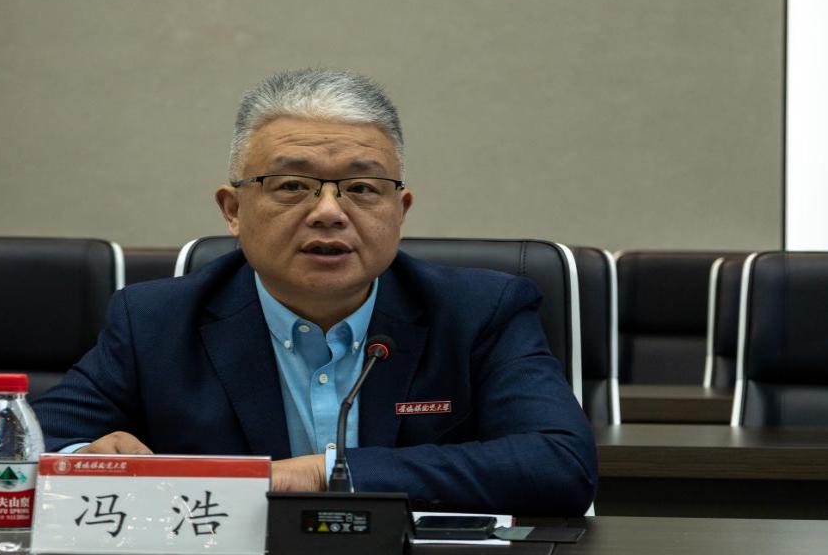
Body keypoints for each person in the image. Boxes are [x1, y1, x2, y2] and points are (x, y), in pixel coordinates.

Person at [32, 69, 597, 514]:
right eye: (292, 185)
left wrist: (326, 473)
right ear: (233, 210)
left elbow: (559, 463)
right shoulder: (156, 320)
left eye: (362, 187)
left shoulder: (479, 313)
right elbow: (22, 444)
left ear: (399, 212)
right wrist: (88, 458)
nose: (328, 211)